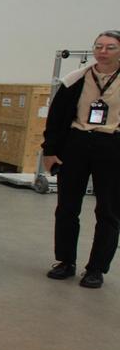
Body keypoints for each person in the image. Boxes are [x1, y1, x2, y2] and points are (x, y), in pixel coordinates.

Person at [42, 30, 120, 289]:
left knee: (108, 210)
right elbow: (55, 118)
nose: (103, 51)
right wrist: (50, 151)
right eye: (99, 46)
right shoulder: (75, 79)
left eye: (110, 47)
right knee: (67, 206)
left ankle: (96, 268)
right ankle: (65, 261)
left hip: (112, 146)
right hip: (76, 144)